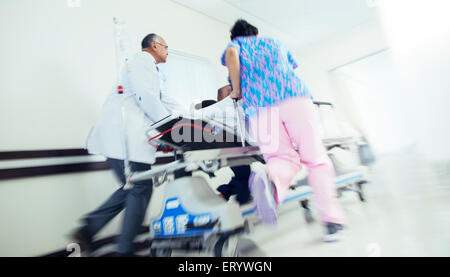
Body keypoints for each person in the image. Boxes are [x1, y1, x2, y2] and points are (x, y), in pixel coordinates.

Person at [221, 19, 345, 242]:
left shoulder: (235, 46)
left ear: (235, 36)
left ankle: (269, 177)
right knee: (315, 159)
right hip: (294, 98)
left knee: (280, 158)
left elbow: (231, 55)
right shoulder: (275, 43)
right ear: (255, 33)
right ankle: (332, 222)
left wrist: (237, 90)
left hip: (259, 107)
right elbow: (291, 68)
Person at [71, 33, 171, 256]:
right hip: (124, 140)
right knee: (140, 187)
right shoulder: (142, 61)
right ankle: (122, 250)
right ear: (154, 46)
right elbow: (146, 98)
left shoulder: (149, 69)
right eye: (165, 46)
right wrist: (169, 127)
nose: (167, 51)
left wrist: (185, 118)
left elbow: (162, 101)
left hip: (123, 140)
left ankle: (89, 229)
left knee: (133, 187)